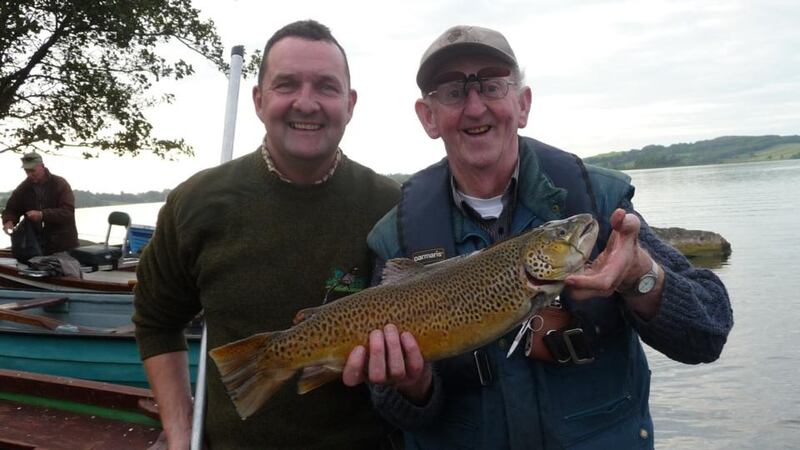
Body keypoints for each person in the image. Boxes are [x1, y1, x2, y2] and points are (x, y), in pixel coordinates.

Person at [342, 25, 733, 449]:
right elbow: (393, 410)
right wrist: (411, 386)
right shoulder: (396, 236)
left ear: (522, 104)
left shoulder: (599, 206)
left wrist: (641, 275)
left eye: (492, 86)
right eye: (453, 92)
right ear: (428, 117)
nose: (475, 108)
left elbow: (707, 334)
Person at [133, 20, 400, 449]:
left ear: (349, 104)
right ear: (259, 100)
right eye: (287, 85)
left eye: (326, 87)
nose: (306, 103)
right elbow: (156, 322)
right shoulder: (196, 202)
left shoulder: (392, 206)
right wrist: (182, 434)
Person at [2, 152, 79, 255]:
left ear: (42, 166)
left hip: (63, 245)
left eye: (32, 170)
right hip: (36, 245)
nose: (29, 174)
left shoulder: (60, 183)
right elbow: (11, 209)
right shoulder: (23, 188)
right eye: (26, 171)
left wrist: (42, 215)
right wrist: (9, 221)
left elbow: (68, 212)